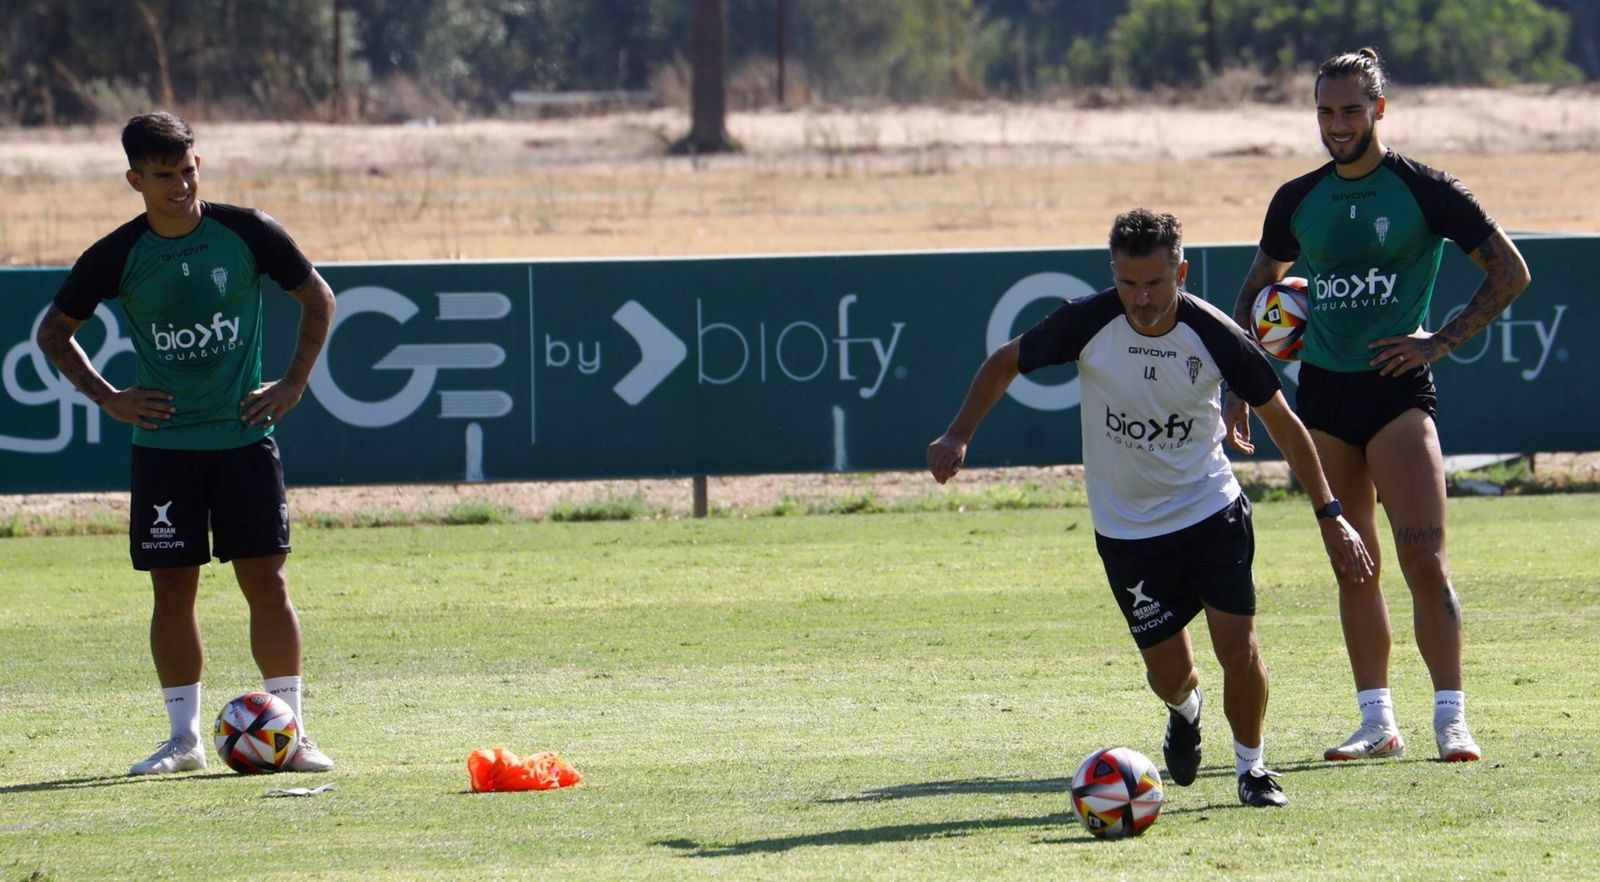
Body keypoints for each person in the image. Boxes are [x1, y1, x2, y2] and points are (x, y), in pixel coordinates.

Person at [929, 208, 1372, 808]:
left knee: (1239, 650)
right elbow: (1005, 361)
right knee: (1169, 674)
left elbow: (1287, 426)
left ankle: (1252, 769)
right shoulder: (1087, 322)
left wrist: (1330, 513)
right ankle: (1185, 712)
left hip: (1210, 511)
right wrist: (958, 434)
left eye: (1155, 284)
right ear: (1113, 274)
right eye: (1127, 283)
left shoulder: (1215, 334)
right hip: (1127, 531)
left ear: (1180, 274)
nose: (1140, 298)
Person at [1224, 49, 1531, 764]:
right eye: (1325, 112)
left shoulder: (1426, 190)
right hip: (1323, 399)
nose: (1337, 124)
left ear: (1380, 110)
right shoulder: (1296, 199)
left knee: (1424, 560)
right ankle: (1377, 723)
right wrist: (1239, 384)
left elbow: (1511, 272)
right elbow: (1255, 292)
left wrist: (1440, 341)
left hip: (1398, 394)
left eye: (1351, 110)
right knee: (1353, 566)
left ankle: (1452, 719)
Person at [34, 112, 338, 775]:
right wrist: (109, 397)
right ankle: (184, 743)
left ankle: (293, 734)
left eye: (187, 170)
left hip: (244, 441)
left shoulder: (248, 231)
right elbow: (53, 333)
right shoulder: (117, 254)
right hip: (165, 450)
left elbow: (319, 299)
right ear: (135, 180)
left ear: (198, 164)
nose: (181, 186)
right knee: (172, 591)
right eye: (164, 176)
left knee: (267, 583)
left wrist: (293, 382)